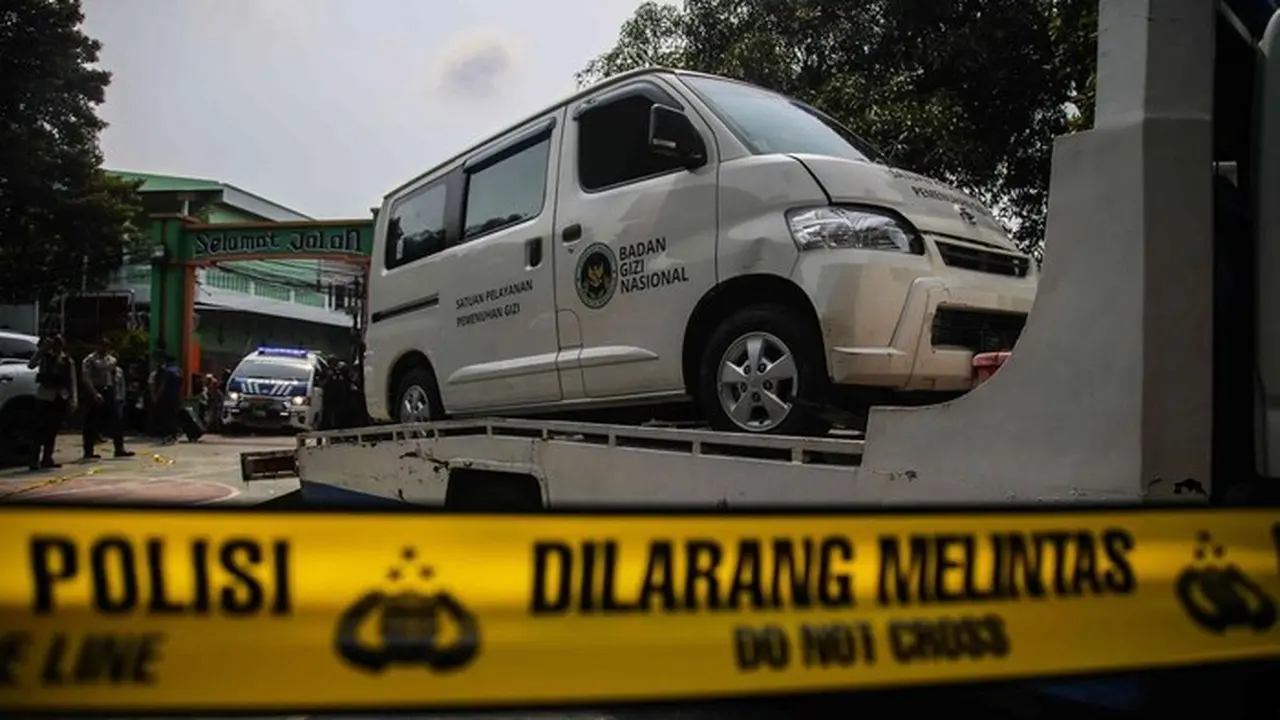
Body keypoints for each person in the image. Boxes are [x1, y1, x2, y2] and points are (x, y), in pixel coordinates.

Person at [25, 334, 77, 470]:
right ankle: (33, 459)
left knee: (52, 430)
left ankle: (47, 458)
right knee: (39, 430)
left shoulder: (67, 360)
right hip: (45, 395)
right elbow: (31, 365)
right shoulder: (45, 357)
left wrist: (73, 399)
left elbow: (72, 381)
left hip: (59, 396)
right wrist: (43, 349)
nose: (57, 346)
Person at [80, 337, 135, 460]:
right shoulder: (90, 360)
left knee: (117, 420)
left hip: (109, 390)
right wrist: (94, 393)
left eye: (106, 346)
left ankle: (119, 448)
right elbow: (86, 378)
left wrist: (116, 392)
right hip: (95, 389)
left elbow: (115, 376)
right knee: (91, 421)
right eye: (101, 345)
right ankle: (88, 450)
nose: (104, 348)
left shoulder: (111, 360)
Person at [151, 352, 182, 444]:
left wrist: (157, 395)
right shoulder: (178, 371)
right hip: (176, 396)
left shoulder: (166, 371)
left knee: (166, 416)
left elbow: (162, 385)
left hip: (167, 396)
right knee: (173, 416)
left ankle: (169, 435)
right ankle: (174, 434)